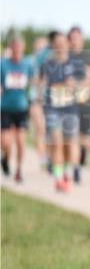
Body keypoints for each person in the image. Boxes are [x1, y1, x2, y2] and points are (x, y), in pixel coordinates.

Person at [39, 32, 87, 192]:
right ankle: (58, 179)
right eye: (56, 43)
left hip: (71, 109)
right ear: (53, 45)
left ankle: (66, 173)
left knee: (68, 145)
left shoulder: (77, 63)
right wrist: (42, 91)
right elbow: (40, 85)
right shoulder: (47, 64)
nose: (59, 46)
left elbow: (86, 84)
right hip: (53, 108)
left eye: (62, 42)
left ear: (67, 44)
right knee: (57, 142)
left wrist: (77, 85)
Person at [1, 33, 36, 183]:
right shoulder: (3, 64)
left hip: (22, 108)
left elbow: (34, 83)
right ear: (11, 48)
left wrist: (33, 100)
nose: (16, 52)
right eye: (14, 48)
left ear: (23, 48)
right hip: (6, 108)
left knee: (21, 141)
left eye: (19, 48)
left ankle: (19, 171)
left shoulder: (28, 65)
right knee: (6, 142)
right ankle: (5, 159)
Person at [67, 26, 90, 183]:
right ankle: (76, 169)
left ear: (82, 39)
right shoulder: (65, 57)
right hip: (69, 103)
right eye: (72, 38)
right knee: (73, 137)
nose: (74, 41)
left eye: (77, 38)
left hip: (87, 103)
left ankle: (83, 156)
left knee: (85, 138)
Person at [28, 35, 49, 164]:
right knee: (40, 128)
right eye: (39, 46)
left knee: (49, 129)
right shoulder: (30, 61)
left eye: (44, 47)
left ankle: (50, 155)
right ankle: (43, 158)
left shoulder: (50, 62)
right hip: (34, 99)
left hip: (49, 100)